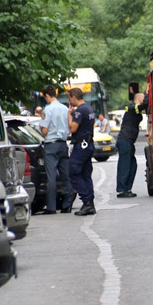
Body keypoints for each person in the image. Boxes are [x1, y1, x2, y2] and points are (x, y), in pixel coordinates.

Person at [40, 86, 75, 214]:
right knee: (66, 175)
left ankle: (51, 207)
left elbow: (44, 131)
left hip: (51, 146)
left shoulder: (47, 110)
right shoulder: (65, 108)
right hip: (62, 144)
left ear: (47, 96)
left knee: (51, 177)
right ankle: (67, 204)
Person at [67, 87, 97, 216]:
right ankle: (90, 202)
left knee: (73, 173)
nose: (70, 101)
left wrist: (69, 115)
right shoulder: (89, 108)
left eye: (69, 98)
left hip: (81, 145)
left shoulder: (79, 111)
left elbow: (73, 128)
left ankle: (86, 202)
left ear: (74, 97)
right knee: (86, 174)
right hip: (89, 144)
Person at [116, 89, 148, 198]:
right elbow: (144, 105)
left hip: (129, 142)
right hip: (125, 141)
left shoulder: (135, 109)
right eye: (143, 99)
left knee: (132, 166)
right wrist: (148, 93)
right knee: (125, 166)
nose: (144, 101)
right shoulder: (132, 107)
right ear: (138, 99)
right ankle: (122, 189)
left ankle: (127, 189)